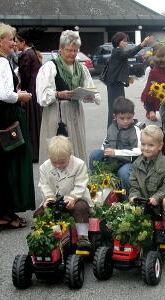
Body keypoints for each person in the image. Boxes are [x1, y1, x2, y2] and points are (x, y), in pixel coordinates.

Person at [36, 30, 101, 164]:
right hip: (56, 113)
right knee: (58, 150)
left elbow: (91, 88)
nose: (72, 54)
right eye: (69, 50)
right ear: (60, 49)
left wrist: (90, 97)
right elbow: (42, 96)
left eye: (75, 51)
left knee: (76, 149)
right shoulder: (50, 67)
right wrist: (58, 94)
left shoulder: (81, 68)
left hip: (75, 112)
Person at [0, 23, 35, 229]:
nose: (14, 42)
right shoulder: (2, 62)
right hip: (7, 117)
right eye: (11, 39)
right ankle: (5, 214)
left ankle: (4, 212)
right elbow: (4, 94)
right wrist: (20, 95)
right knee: (11, 165)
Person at [36, 136, 93, 250]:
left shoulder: (79, 164)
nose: (58, 165)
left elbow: (80, 184)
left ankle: (83, 236)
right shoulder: (44, 167)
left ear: (69, 156)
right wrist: (49, 198)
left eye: (62, 162)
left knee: (80, 208)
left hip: (76, 199)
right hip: (54, 200)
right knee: (39, 213)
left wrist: (73, 197)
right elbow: (44, 185)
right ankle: (43, 237)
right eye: (54, 162)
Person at [129, 125, 165, 244]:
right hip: (144, 201)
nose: (146, 148)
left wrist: (157, 197)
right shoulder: (137, 164)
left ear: (160, 146)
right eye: (143, 144)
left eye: (150, 145)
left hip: (161, 204)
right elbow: (134, 184)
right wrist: (134, 196)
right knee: (129, 206)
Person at [89, 96, 142, 194]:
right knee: (94, 154)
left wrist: (115, 152)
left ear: (133, 115)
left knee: (124, 172)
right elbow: (106, 141)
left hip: (128, 162)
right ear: (115, 116)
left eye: (129, 118)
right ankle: (95, 187)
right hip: (112, 159)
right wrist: (104, 150)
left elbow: (138, 151)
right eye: (122, 118)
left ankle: (128, 199)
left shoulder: (136, 130)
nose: (126, 121)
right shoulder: (112, 126)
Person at [106, 32, 153, 128]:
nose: (126, 43)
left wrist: (129, 76)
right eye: (124, 41)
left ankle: (117, 128)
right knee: (115, 107)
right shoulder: (117, 51)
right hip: (114, 84)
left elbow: (124, 68)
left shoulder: (118, 52)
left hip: (116, 83)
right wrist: (142, 44)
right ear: (118, 41)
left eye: (126, 41)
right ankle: (112, 130)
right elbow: (130, 53)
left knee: (118, 106)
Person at [16, 30, 42, 162]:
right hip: (36, 92)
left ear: (23, 42)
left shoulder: (25, 55)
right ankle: (37, 153)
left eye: (16, 41)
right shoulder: (33, 53)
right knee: (36, 124)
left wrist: (20, 90)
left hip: (29, 92)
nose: (15, 44)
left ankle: (32, 154)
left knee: (29, 124)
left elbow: (24, 76)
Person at [141, 45, 165, 126]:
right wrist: (150, 111)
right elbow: (148, 93)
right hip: (157, 114)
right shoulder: (154, 72)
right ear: (162, 58)